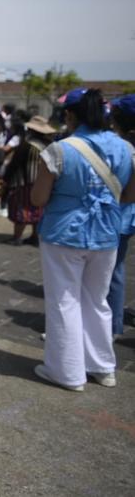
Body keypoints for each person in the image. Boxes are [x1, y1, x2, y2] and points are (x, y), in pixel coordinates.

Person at [30, 88, 135, 391]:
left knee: (64, 301)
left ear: (70, 115)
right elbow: (128, 196)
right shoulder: (126, 148)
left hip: (63, 234)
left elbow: (38, 198)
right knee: (97, 301)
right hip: (107, 234)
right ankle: (103, 367)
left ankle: (67, 372)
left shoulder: (59, 150)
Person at [3, 116, 55, 245]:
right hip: (43, 182)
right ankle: (35, 236)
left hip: (24, 182)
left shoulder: (27, 145)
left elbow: (15, 164)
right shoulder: (48, 145)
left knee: (22, 209)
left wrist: (6, 179)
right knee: (38, 210)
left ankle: (17, 237)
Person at [109, 95, 135, 339]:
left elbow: (127, 194)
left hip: (115, 217)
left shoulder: (121, 147)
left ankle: (109, 327)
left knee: (104, 275)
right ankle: (113, 326)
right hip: (127, 219)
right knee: (116, 271)